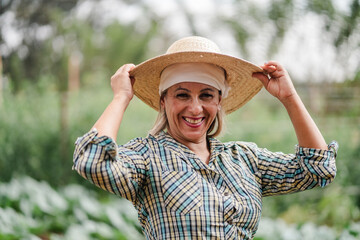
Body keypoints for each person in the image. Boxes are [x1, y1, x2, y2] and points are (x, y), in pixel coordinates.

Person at [73, 36, 338, 239]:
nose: (195, 108)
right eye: (182, 94)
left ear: (219, 101)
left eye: (207, 95)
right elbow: (92, 161)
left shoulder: (244, 158)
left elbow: (317, 169)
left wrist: (289, 98)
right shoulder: (148, 156)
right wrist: (121, 97)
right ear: (163, 100)